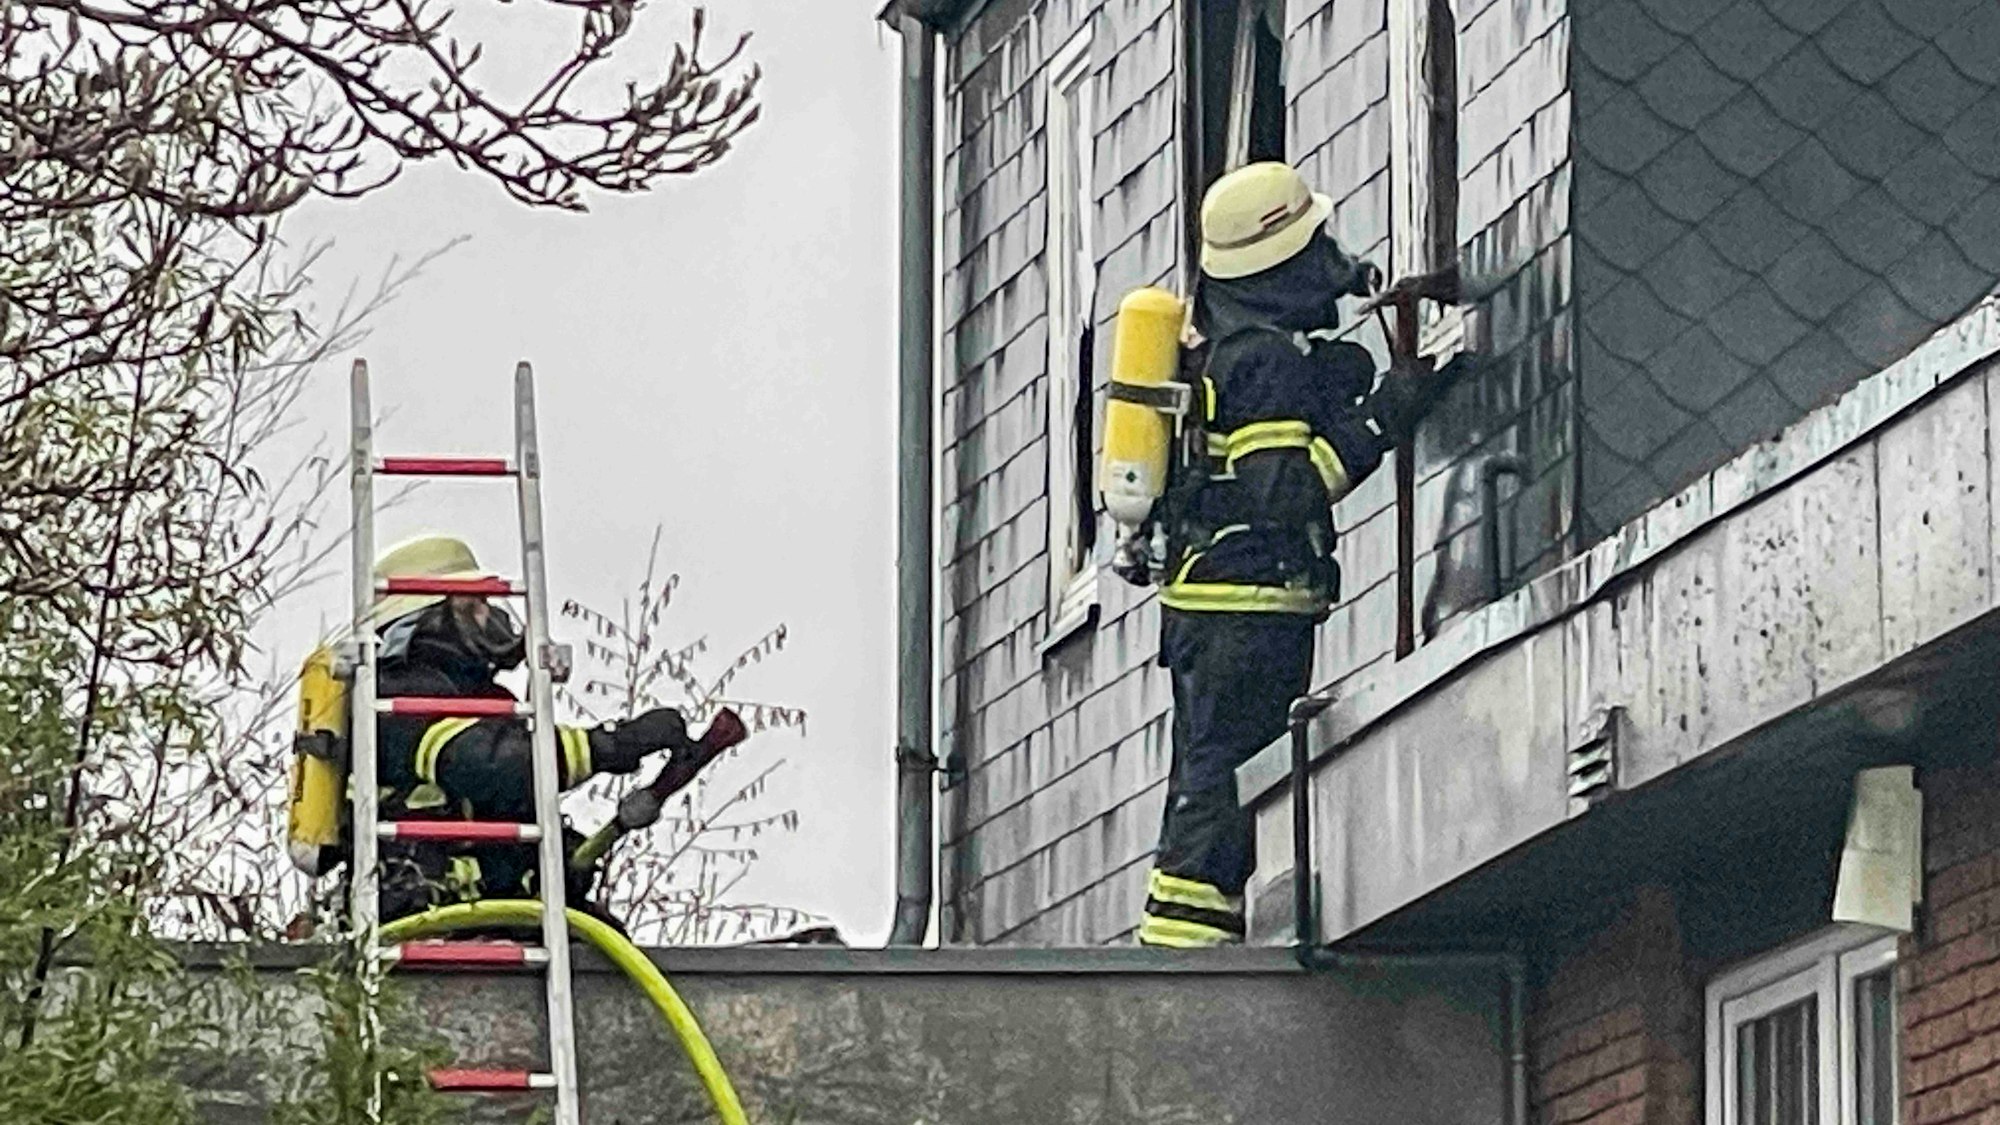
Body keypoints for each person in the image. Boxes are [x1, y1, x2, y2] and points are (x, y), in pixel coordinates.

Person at [1129, 162, 1453, 948]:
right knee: (1223, 784)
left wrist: (1326, 386)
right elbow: (1283, 491)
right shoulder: (1262, 358)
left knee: (1210, 775)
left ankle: (1184, 938)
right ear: (1280, 263)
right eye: (1314, 244)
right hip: (1247, 611)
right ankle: (1184, 954)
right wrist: (1379, 419)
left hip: (1214, 605)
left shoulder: (1230, 348)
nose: (1329, 260)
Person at [367, 535, 744, 924]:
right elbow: (494, 767)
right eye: (474, 605)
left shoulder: (476, 700)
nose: (490, 616)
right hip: (422, 910)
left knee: (602, 943)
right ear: (430, 618)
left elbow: (507, 805)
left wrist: (560, 858)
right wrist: (613, 744)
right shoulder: (397, 698)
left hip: (475, 908)